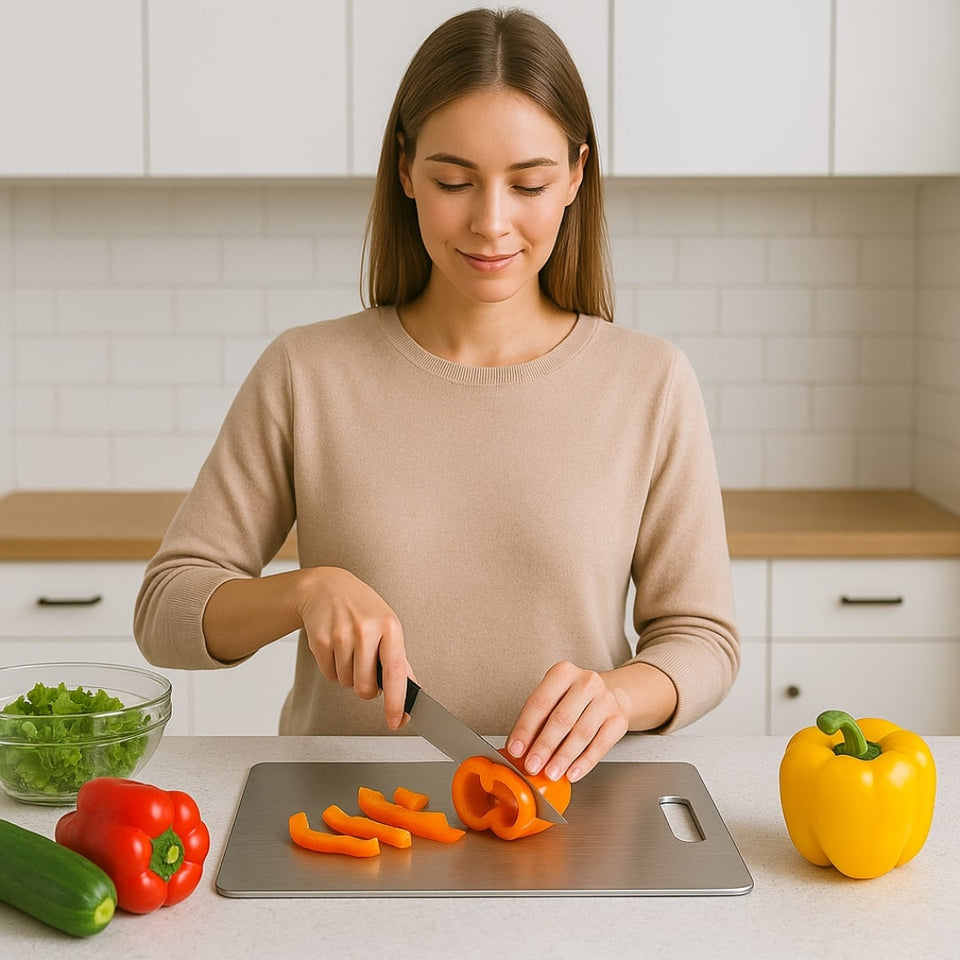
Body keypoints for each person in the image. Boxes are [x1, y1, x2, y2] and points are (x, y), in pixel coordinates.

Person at [134, 7, 739, 786]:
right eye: (454, 181)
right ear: (406, 170)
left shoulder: (650, 381)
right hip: (348, 815)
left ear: (576, 176)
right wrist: (305, 592)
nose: (491, 223)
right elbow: (165, 612)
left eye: (529, 183)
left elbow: (701, 638)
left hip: (565, 809)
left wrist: (621, 697)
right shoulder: (306, 373)